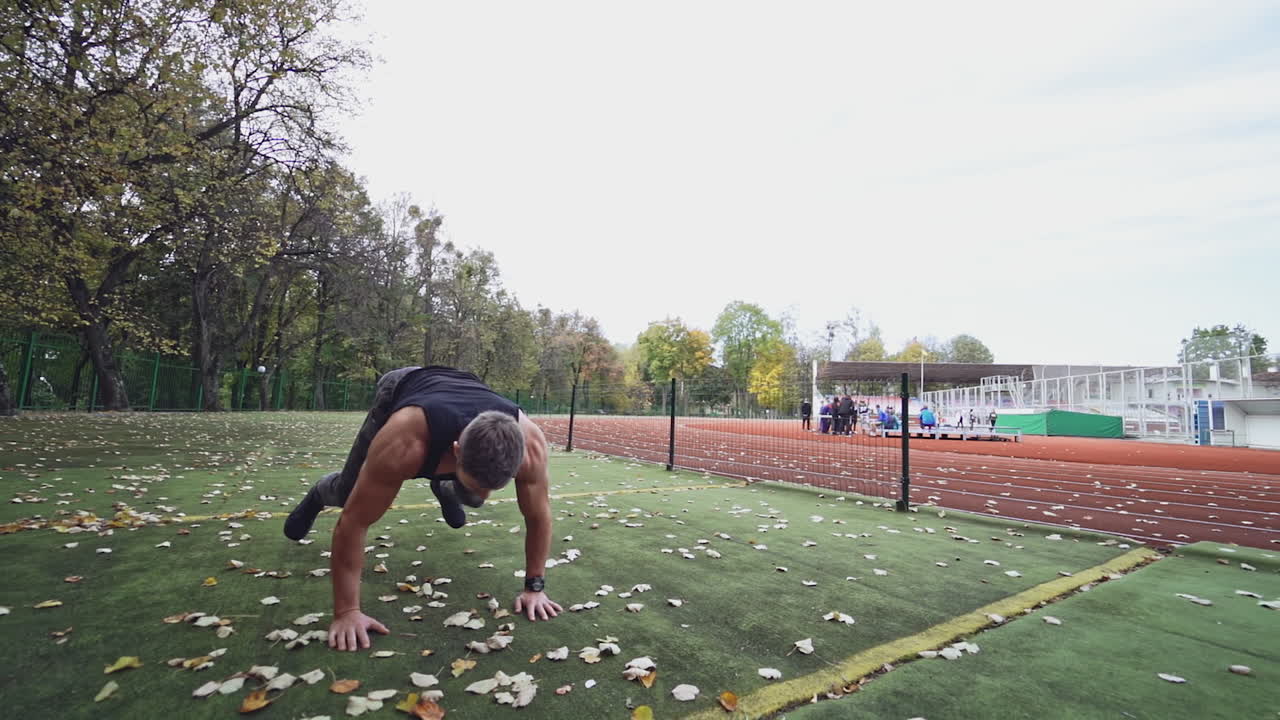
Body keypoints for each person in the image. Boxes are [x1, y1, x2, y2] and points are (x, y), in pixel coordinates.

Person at [282, 366, 562, 651]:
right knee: (346, 494)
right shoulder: (403, 441)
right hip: (402, 385)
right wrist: (346, 612)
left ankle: (445, 487)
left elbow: (539, 517)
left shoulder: (532, 446)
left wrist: (534, 588)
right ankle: (318, 493)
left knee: (474, 497)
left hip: (462, 384)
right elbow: (353, 522)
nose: (487, 494)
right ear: (455, 452)